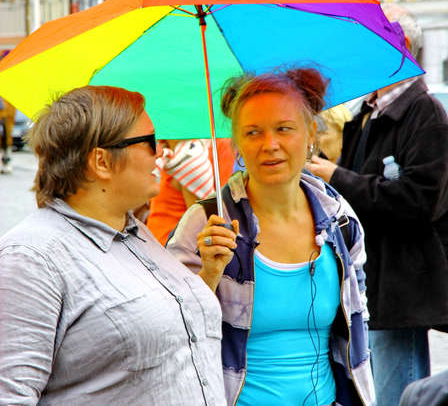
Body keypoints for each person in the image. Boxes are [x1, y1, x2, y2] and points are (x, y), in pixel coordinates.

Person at [0, 86, 226, 405]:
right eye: (149, 142)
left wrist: (209, 275)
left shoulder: (136, 233)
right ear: (102, 161)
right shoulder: (31, 258)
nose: (161, 152)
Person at [167, 69, 375, 405]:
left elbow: (358, 323)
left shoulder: (340, 219)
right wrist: (207, 275)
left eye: (284, 129)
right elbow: (168, 330)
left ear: (310, 135)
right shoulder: (207, 222)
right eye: (253, 132)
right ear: (236, 142)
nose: (270, 145)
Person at [307, 4, 448, 406]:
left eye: (368, 37)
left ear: (398, 45)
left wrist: (335, 176)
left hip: (400, 286)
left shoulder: (425, 113)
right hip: (370, 281)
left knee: (397, 393)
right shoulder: (368, 111)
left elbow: (418, 203)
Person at [147, 137, 234, 245]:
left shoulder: (190, 154)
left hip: (172, 252)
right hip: (156, 246)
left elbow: (200, 223)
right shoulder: (174, 148)